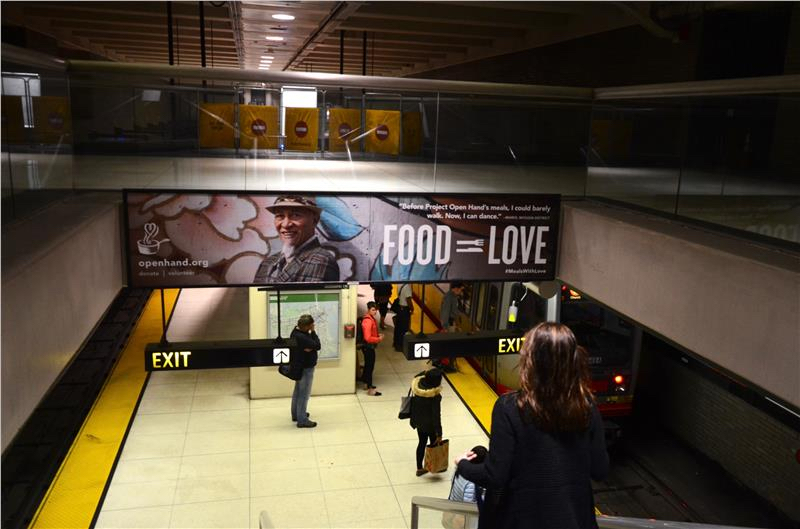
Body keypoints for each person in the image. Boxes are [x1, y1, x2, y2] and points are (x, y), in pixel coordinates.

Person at [455, 322, 609, 529]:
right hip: (575, 520)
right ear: (574, 360)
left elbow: (495, 476)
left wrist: (463, 465)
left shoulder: (509, 407)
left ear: (531, 361)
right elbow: (600, 470)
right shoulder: (587, 407)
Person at [254, 195, 339, 283]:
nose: (285, 224)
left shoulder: (321, 261)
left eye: (295, 215)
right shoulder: (268, 262)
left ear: (315, 220)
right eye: (280, 216)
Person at [444, 445, 488, 529]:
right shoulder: (472, 482)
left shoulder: (459, 470)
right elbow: (468, 505)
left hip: (453, 506)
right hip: (462, 516)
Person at [410, 368, 443, 476]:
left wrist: (424, 372)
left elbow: (416, 376)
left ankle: (419, 468)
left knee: (421, 443)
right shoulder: (434, 396)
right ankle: (434, 466)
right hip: (431, 425)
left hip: (419, 421)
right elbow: (436, 416)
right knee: (434, 444)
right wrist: (439, 433)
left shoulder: (418, 387)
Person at [290, 314, 321, 428]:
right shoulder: (303, 337)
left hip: (299, 366)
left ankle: (296, 414)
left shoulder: (295, 332)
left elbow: (313, 346)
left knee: (297, 392)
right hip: (306, 368)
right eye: (311, 325)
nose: (313, 326)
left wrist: (311, 346)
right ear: (307, 326)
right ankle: (302, 420)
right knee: (304, 394)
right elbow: (317, 345)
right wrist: (313, 333)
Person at [436, 281, 466, 372]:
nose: (461, 292)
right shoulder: (449, 297)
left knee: (451, 344)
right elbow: (445, 313)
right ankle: (448, 364)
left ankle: (449, 364)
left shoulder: (453, 297)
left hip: (451, 324)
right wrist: (445, 327)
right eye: (461, 290)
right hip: (449, 324)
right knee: (450, 344)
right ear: (456, 288)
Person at [360, 301, 384, 396]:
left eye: (376, 310)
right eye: (373, 310)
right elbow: (367, 338)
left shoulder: (370, 318)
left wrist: (377, 335)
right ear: (368, 310)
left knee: (368, 365)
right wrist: (378, 339)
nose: (375, 312)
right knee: (370, 366)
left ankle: (366, 383)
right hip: (368, 347)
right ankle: (370, 389)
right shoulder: (368, 321)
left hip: (368, 346)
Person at [392, 283, 414, 352]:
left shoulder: (400, 284)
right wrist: (412, 308)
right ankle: (400, 346)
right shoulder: (407, 286)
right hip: (404, 310)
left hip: (399, 308)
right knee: (403, 328)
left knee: (398, 327)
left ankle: (396, 343)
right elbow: (408, 300)